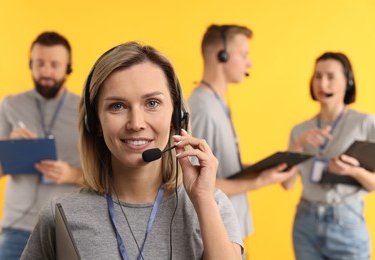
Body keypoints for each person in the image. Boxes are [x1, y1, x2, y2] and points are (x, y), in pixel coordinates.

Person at [21, 41, 244, 259]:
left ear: (177, 116)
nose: (136, 123)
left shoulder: (211, 205)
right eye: (117, 106)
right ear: (95, 122)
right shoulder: (60, 215)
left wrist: (202, 199)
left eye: (152, 103)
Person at [188, 24, 297, 242]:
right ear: (222, 54)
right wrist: (260, 181)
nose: (250, 63)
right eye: (244, 54)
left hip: (231, 229)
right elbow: (194, 181)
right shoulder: (203, 109)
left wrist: (256, 169)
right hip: (218, 236)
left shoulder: (217, 103)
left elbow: (216, 167)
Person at [0, 32, 83, 259]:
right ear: (30, 64)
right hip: (16, 229)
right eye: (39, 63)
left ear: (68, 67)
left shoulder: (85, 110)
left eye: (54, 64)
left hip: (67, 227)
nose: (46, 72)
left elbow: (105, 176)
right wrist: (10, 145)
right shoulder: (10, 105)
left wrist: (71, 173)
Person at [282, 52, 375, 259]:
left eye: (331, 77)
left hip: (346, 221)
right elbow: (286, 184)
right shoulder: (300, 131)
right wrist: (297, 147)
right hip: (305, 221)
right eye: (317, 76)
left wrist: (353, 171)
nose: (322, 84)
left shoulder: (366, 124)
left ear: (348, 81)